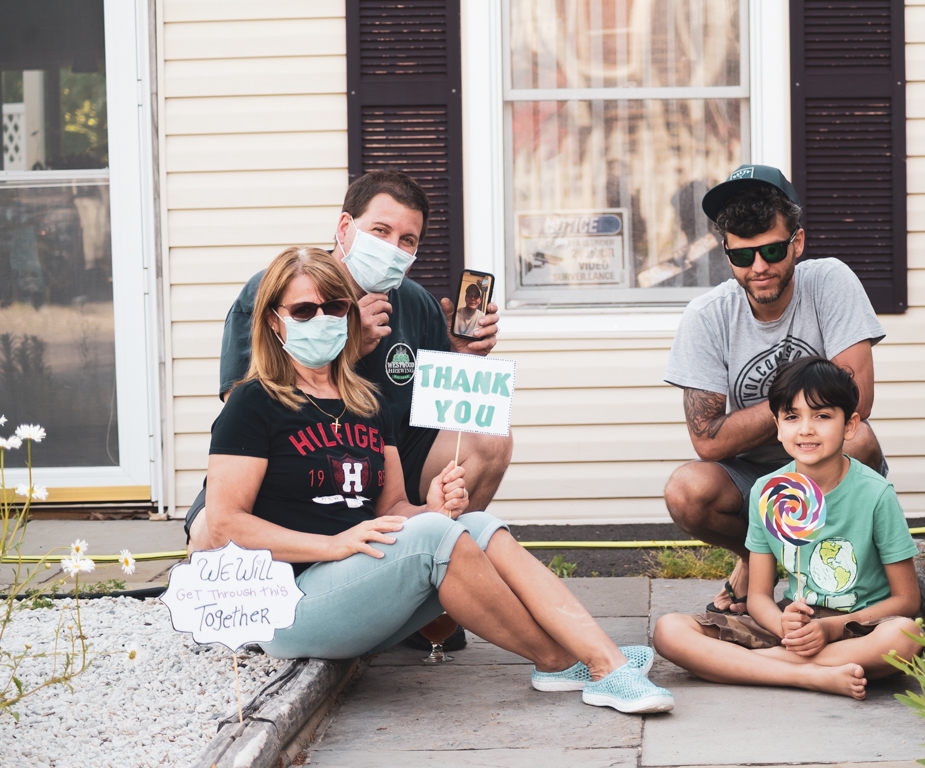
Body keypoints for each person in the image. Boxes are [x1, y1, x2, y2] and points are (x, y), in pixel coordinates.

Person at [193, 247, 675, 714]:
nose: (322, 319)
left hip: (355, 586)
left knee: (478, 525)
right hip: (288, 607)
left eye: (334, 306)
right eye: (303, 310)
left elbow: (393, 509)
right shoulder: (253, 403)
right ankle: (569, 661)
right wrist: (334, 545)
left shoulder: (367, 402)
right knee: (432, 537)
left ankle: (598, 657)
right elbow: (225, 525)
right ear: (274, 321)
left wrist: (431, 508)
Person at [186, 170, 512, 546]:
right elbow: (243, 410)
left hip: (386, 468)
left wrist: (460, 356)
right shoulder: (278, 289)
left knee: (492, 436)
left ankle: (443, 560)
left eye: (407, 240)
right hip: (292, 468)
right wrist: (347, 346)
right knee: (211, 533)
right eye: (380, 231)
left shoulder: (417, 303)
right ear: (345, 227)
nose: (393, 247)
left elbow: (442, 414)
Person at [662, 164, 887, 615]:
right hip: (753, 475)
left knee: (858, 439)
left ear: (797, 242)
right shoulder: (706, 315)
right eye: (743, 256)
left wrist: (770, 418)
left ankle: (810, 573)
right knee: (686, 490)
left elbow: (858, 399)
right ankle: (757, 555)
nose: (759, 268)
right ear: (727, 252)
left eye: (771, 250)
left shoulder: (830, 281)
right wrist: (808, 401)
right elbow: (708, 441)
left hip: (830, 461)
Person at [652, 358, 921, 699]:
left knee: (906, 636)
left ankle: (751, 666)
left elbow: (906, 600)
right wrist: (783, 625)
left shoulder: (875, 494)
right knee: (669, 630)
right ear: (777, 427)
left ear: (850, 425)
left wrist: (830, 628)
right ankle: (810, 675)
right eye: (792, 417)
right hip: (791, 626)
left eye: (822, 416)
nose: (806, 429)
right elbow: (759, 596)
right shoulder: (768, 492)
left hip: (855, 628)